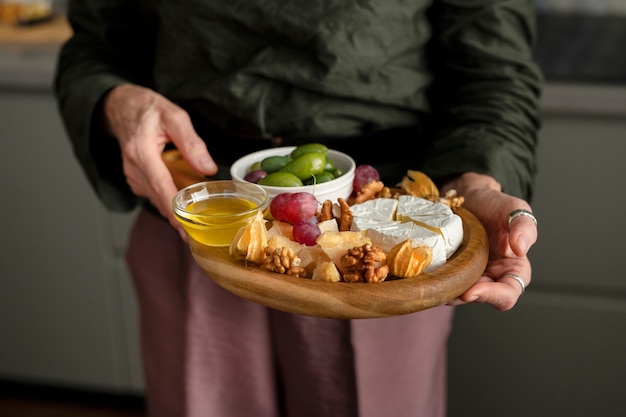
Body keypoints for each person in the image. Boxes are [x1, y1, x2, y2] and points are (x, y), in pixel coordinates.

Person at [54, 1, 541, 416]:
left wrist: (475, 178)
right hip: (199, 218)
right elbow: (95, 46)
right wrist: (115, 103)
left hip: (386, 242)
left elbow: (492, 64)